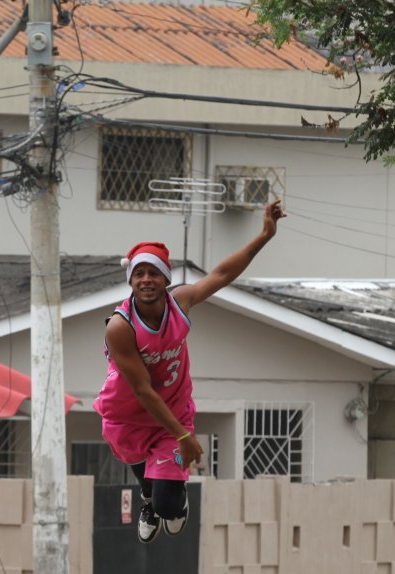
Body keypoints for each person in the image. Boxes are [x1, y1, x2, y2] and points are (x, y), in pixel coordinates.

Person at [94, 199, 285, 543]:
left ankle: (166, 502)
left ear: (166, 278)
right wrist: (184, 436)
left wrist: (265, 235)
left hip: (172, 415)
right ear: (130, 280)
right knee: (149, 489)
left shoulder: (180, 302)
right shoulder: (121, 327)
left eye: (153, 273)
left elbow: (221, 274)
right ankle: (148, 500)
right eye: (139, 274)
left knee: (169, 505)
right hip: (127, 416)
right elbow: (143, 390)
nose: (146, 280)